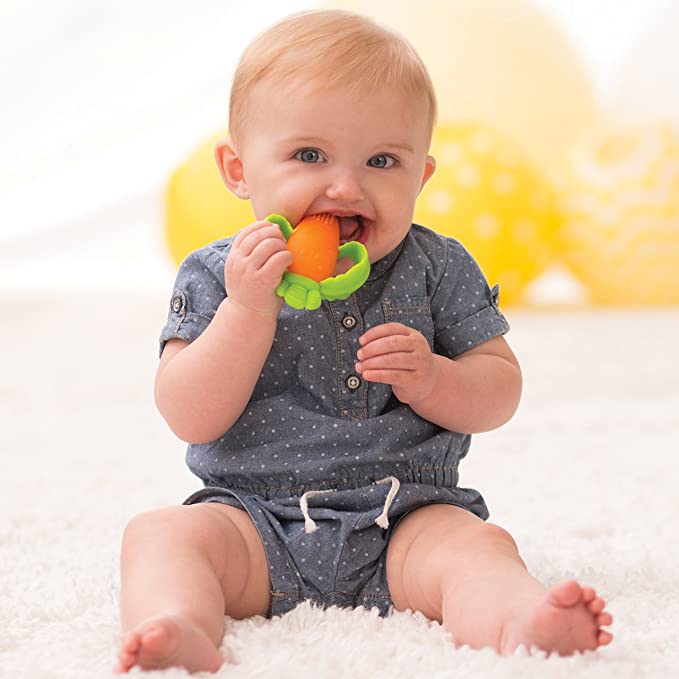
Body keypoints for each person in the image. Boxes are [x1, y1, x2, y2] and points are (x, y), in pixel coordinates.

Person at [114, 8, 613, 674]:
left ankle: (517, 621)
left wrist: (435, 379)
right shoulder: (216, 274)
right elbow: (188, 412)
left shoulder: (437, 266)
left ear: (421, 177)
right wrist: (247, 311)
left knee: (476, 547)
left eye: (381, 160)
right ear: (238, 170)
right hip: (252, 519)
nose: (345, 185)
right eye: (308, 155)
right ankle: (176, 623)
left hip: (403, 514)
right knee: (161, 535)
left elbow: (499, 389)